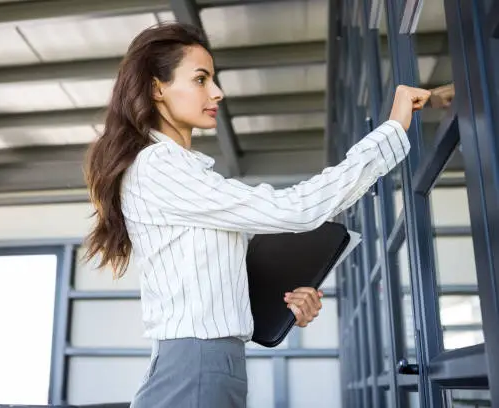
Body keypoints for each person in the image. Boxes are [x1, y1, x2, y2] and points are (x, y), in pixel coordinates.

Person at [83, 22, 430, 408]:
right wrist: (394, 129)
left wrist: (283, 305)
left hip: (209, 364)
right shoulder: (160, 165)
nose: (217, 92)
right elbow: (295, 210)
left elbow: (209, 284)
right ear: (156, 88)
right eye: (201, 79)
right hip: (196, 366)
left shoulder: (178, 170)